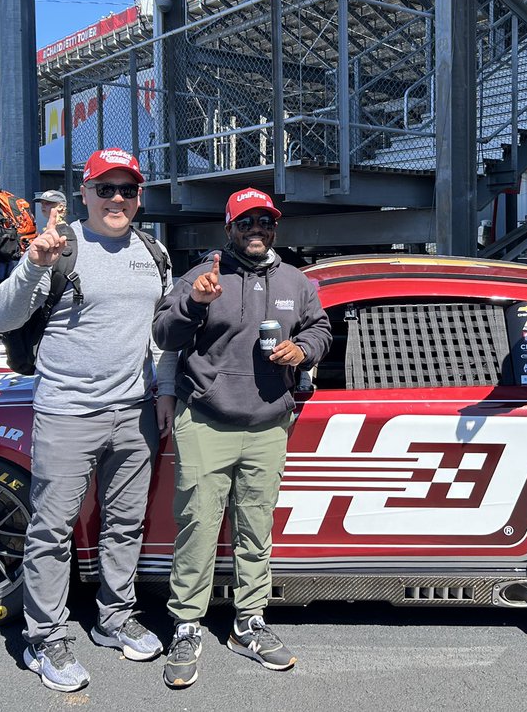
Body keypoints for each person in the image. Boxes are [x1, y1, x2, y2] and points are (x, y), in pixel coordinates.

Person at [0, 148, 176, 693]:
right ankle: (43, 637)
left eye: (128, 190)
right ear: (84, 193)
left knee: (125, 525)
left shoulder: (153, 250)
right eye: (106, 188)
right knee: (51, 529)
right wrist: (33, 264)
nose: (117, 199)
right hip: (68, 411)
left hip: (134, 412)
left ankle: (114, 619)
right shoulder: (59, 246)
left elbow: (163, 334)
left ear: (139, 196)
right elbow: (1, 316)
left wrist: (163, 391)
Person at [153, 186, 332, 690]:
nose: (257, 230)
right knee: (198, 528)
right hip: (207, 418)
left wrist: (304, 351)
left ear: (275, 227)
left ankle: (249, 622)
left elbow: (321, 328)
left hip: (268, 423)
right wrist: (193, 302)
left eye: (265, 222)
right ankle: (187, 625)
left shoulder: (297, 281)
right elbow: (164, 333)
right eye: (247, 223)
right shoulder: (203, 273)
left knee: (257, 529)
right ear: (229, 228)